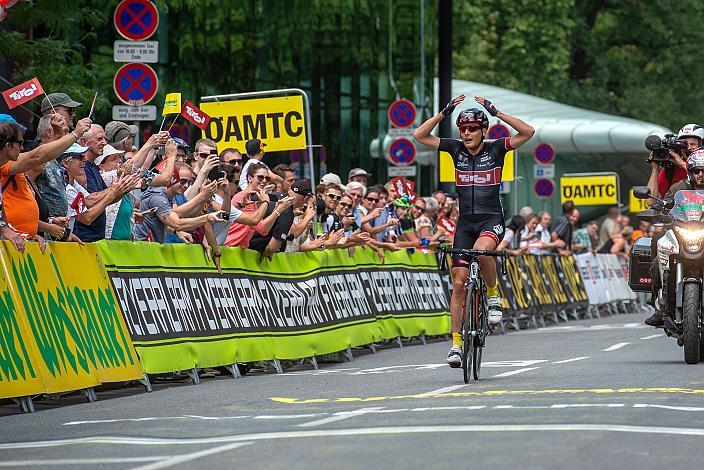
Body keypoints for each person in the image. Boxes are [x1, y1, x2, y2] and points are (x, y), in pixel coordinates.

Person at [413, 94, 534, 367]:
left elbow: (528, 132)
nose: (466, 134)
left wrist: (496, 112)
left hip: (491, 219)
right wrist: (444, 112)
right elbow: (420, 135)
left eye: (472, 129)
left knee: (482, 251)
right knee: (458, 284)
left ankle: (492, 295)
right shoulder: (455, 149)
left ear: (483, 131)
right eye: (463, 129)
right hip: (465, 223)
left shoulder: (497, 149)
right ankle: (456, 344)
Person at [1, 114, 91, 242]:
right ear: (7, 144)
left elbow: (45, 156)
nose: (22, 148)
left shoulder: (16, 170)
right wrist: (75, 134)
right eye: (20, 142)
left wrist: (36, 232)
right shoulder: (5, 164)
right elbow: (39, 156)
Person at [133, 140, 225, 243]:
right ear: (173, 177)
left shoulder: (171, 195)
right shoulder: (157, 195)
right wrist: (206, 215)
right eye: (182, 181)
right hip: (143, 251)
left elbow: (188, 215)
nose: (185, 185)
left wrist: (204, 198)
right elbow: (176, 223)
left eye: (188, 182)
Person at [249, 179, 312, 256]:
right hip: (252, 256)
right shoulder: (286, 211)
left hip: (237, 246)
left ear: (289, 189)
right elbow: (271, 248)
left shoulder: (270, 195)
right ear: (305, 199)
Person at [645, 124, 703, 206]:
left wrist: (683, 164)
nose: (688, 148)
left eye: (693, 144)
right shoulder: (672, 169)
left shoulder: (681, 164)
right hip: (679, 217)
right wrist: (655, 169)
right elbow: (651, 201)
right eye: (684, 145)